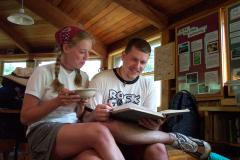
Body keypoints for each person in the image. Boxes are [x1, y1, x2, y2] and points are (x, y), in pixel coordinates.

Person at [83, 38, 211, 160]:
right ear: (123, 56)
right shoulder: (101, 79)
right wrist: (95, 114)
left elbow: (151, 127)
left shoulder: (148, 85)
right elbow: (85, 120)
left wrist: (155, 125)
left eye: (143, 62)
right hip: (107, 139)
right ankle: (173, 138)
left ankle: (173, 139)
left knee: (158, 149)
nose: (137, 66)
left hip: (138, 138)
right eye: (134, 59)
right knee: (110, 125)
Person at [20, 26, 125, 160]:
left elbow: (78, 115)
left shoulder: (84, 76)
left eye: (88, 52)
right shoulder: (42, 72)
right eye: (82, 52)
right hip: (43, 131)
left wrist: (81, 106)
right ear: (66, 48)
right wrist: (57, 102)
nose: (86, 57)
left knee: (91, 158)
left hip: (72, 128)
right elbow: (25, 118)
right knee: (99, 131)